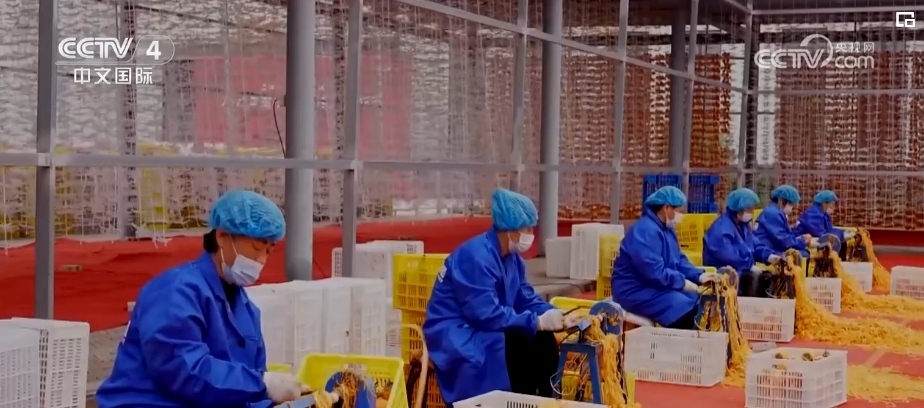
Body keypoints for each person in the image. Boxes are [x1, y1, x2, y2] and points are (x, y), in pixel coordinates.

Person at [95, 190, 304, 408]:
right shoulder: (175, 291)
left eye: (269, 251)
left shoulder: (246, 309)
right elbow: (183, 369)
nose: (261, 259)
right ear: (222, 236)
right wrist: (262, 384)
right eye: (257, 247)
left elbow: (246, 387)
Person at [423, 188, 568, 406]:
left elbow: (525, 298)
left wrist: (555, 314)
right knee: (513, 347)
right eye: (528, 228)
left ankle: (545, 400)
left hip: (487, 320)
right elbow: (484, 313)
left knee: (542, 339)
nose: (531, 234)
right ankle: (513, 400)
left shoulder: (512, 259)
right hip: (456, 328)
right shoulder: (476, 256)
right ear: (510, 228)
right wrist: (535, 321)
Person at [611, 186, 710, 330]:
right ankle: (678, 342)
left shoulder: (667, 230)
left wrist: (699, 276)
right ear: (667, 208)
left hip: (654, 285)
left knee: (698, 300)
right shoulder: (645, 231)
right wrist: (682, 282)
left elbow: (679, 260)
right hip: (634, 290)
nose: (681, 216)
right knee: (682, 307)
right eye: (679, 211)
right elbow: (654, 272)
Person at [703, 188, 782, 297]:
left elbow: (754, 244)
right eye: (749, 209)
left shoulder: (743, 226)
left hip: (741, 269)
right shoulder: (722, 229)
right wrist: (748, 266)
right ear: (739, 209)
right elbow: (728, 256)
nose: (752, 213)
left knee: (767, 277)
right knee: (751, 278)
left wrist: (769, 256)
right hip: (723, 271)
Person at [755, 185, 811, 258]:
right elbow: (783, 239)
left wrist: (800, 238)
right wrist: (803, 242)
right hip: (767, 250)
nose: (792, 207)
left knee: (803, 252)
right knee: (802, 254)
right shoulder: (772, 213)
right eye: (790, 203)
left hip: (772, 247)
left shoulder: (776, 211)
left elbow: (784, 234)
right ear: (781, 200)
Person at [794, 189, 854, 259]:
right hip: (800, 241)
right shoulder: (813, 214)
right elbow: (820, 233)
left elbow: (828, 230)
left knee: (842, 243)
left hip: (813, 239)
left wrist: (842, 232)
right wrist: (842, 235)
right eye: (832, 204)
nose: (833, 207)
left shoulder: (823, 214)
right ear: (824, 203)